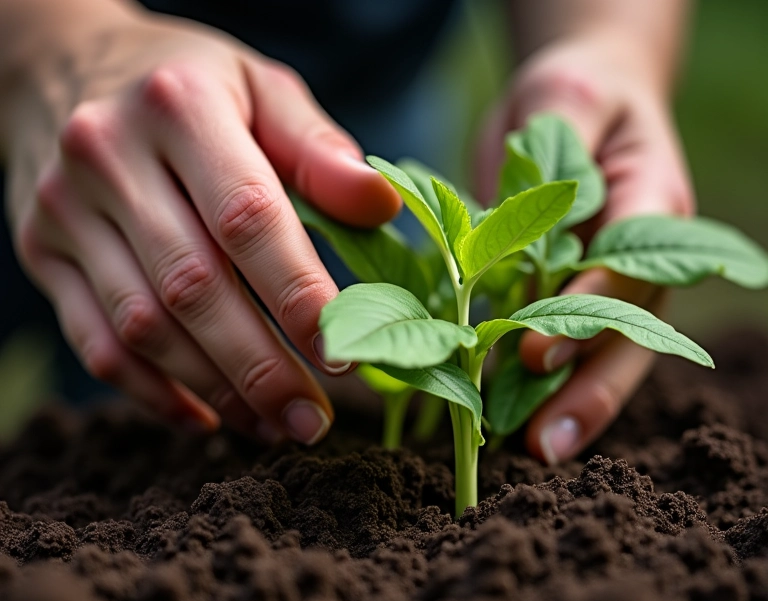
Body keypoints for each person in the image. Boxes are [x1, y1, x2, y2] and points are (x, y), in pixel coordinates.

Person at [0, 0, 693, 463]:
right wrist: (46, 40)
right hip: (48, 65)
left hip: (343, 121)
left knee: (176, 445)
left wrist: (608, 43)